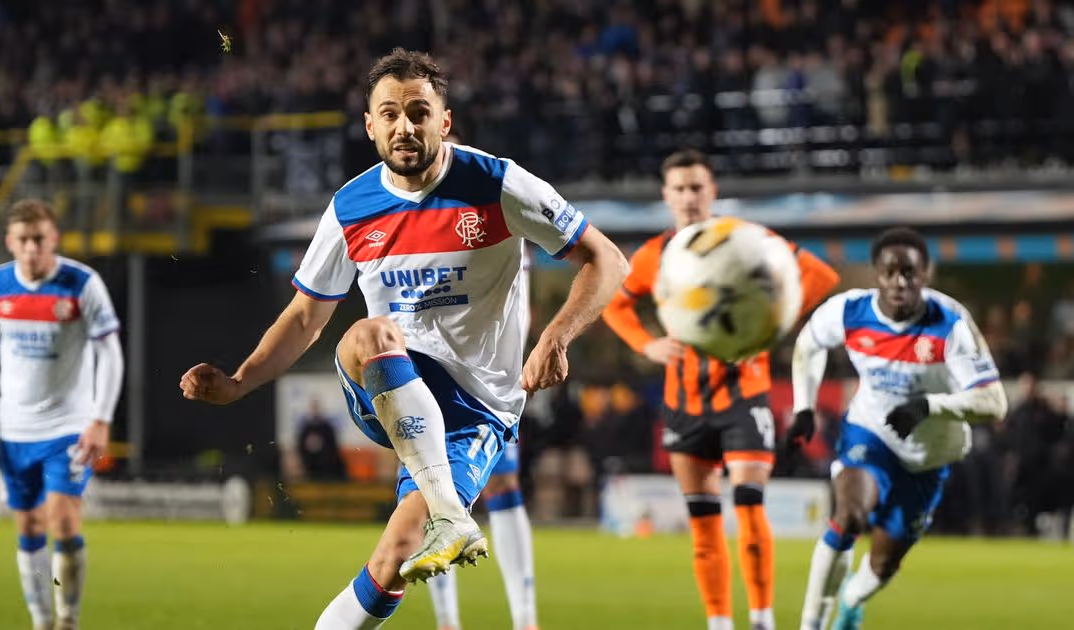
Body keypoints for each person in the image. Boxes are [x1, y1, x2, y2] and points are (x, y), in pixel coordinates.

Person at [178, 49, 627, 630]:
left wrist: (555, 337)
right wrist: (239, 382)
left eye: (418, 112)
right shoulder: (351, 207)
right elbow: (304, 318)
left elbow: (607, 261)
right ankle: (450, 511)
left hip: (477, 410)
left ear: (444, 121)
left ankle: (435, 519)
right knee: (370, 332)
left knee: (391, 560)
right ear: (369, 126)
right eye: (388, 114)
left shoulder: (496, 183)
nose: (403, 126)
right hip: (389, 376)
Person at [602, 149, 838, 630]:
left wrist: (769, 326)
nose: (689, 197)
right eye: (680, 188)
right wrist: (648, 345)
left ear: (712, 192)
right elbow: (614, 306)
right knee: (704, 521)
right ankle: (719, 623)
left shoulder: (745, 242)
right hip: (684, 402)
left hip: (744, 398)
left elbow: (820, 275)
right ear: (666, 196)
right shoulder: (654, 255)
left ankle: (762, 618)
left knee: (750, 505)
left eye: (697, 187)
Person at [786, 227, 1007, 630]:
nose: (900, 282)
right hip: (870, 433)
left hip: (927, 457)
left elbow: (994, 403)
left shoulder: (950, 325)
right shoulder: (849, 312)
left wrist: (928, 406)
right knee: (848, 517)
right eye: (891, 272)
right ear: (877, 274)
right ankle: (811, 623)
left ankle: (851, 601)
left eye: (910, 272)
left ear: (926, 274)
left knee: (883, 563)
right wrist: (804, 405)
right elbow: (809, 344)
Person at [0, 198, 125, 630]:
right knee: (29, 523)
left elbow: (108, 350)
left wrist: (100, 418)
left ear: (53, 238)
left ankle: (67, 619)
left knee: (62, 518)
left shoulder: (80, 283)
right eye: (24, 240)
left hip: (68, 426)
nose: (32, 248)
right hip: (14, 428)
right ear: (10, 243)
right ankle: (41, 619)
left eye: (39, 239)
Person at [424, 127, 541, 630]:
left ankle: (525, 617)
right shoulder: (415, 220)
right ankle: (448, 620)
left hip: (490, 377)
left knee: (504, 483)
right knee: (430, 491)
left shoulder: (499, 216)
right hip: (426, 374)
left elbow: (521, 303)